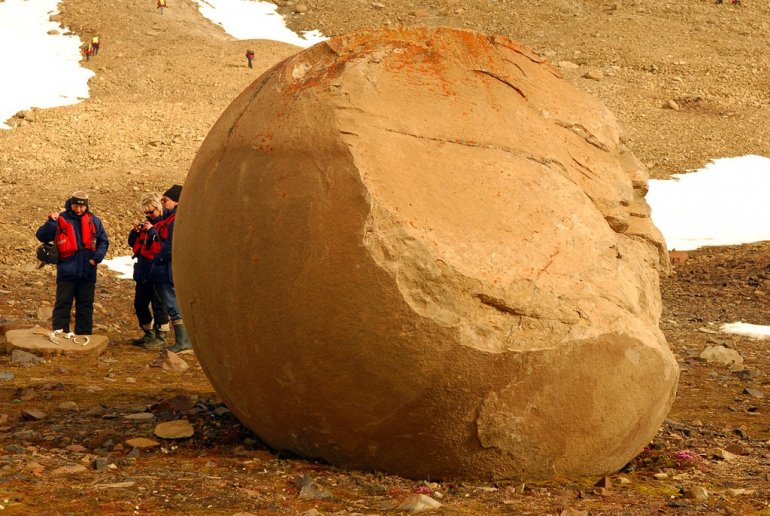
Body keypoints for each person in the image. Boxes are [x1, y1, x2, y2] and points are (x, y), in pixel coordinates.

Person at [36, 191, 109, 336]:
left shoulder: (94, 220)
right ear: (71, 204)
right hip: (66, 270)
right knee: (63, 303)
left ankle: (83, 336)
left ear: (86, 206)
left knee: (85, 305)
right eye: (76, 206)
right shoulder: (60, 219)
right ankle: (60, 333)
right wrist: (51, 222)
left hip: (88, 270)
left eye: (82, 207)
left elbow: (103, 241)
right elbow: (42, 236)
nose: (79, 209)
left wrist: (96, 258)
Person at [150, 184, 192, 352]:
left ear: (175, 201)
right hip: (168, 267)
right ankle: (183, 340)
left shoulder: (175, 220)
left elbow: (170, 245)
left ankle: (183, 341)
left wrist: (158, 258)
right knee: (171, 303)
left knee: (173, 304)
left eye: (165, 200)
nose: (163, 203)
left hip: (167, 268)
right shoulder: (173, 218)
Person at [128, 193, 170, 349]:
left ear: (158, 207)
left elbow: (164, 246)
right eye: (146, 213)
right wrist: (135, 232)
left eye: (152, 212)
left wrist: (153, 232)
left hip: (157, 270)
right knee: (140, 304)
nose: (149, 215)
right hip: (143, 270)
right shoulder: (146, 225)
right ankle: (148, 333)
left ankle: (161, 337)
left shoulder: (165, 224)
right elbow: (133, 243)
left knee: (160, 305)